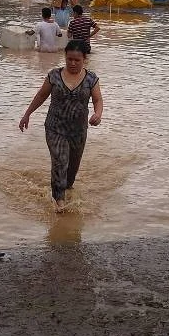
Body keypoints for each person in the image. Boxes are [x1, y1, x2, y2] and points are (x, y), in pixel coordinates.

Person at [19, 40, 103, 212]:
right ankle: (59, 201)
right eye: (69, 59)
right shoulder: (54, 76)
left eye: (77, 60)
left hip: (78, 130)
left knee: (72, 168)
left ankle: (66, 188)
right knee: (60, 161)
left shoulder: (91, 79)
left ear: (84, 59)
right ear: (65, 57)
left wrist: (98, 114)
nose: (72, 63)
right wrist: (27, 114)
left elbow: (97, 99)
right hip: (55, 127)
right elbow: (41, 96)